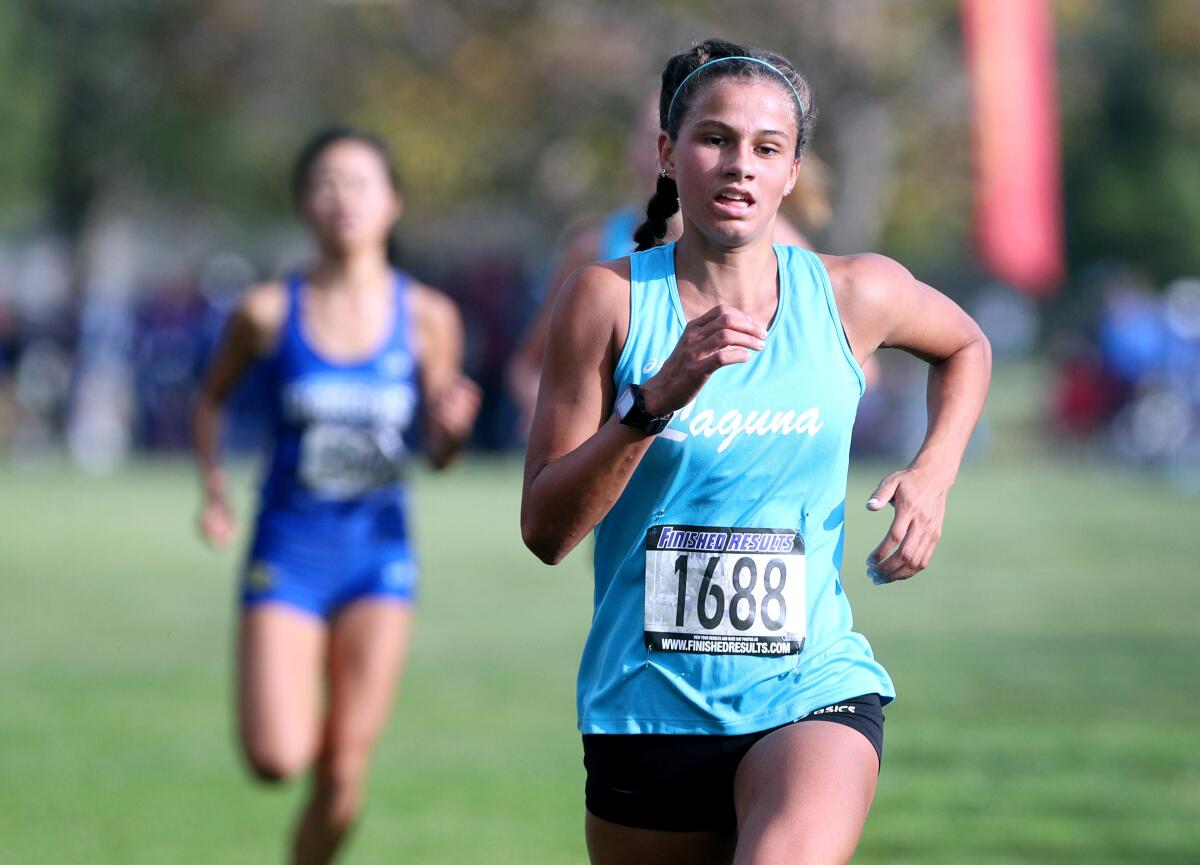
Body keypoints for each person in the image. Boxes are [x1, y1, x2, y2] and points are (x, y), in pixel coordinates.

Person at [520, 39, 991, 865]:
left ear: (792, 172)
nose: (740, 165)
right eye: (714, 140)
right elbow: (547, 532)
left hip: (810, 691)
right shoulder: (608, 302)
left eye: (767, 148)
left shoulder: (853, 293)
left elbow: (966, 346)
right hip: (645, 708)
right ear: (668, 154)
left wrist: (934, 472)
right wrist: (651, 403)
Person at [193, 126, 480, 865]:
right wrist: (215, 491)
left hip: (377, 558)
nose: (342, 197)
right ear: (303, 204)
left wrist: (450, 430)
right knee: (276, 757)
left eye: (359, 182)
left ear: (392, 203)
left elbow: (437, 457)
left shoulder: (428, 317)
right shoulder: (264, 310)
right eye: (325, 182)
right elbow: (211, 400)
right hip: (289, 552)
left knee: (344, 769)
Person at [505, 91, 822, 432]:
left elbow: (848, 360)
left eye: (714, 139)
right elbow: (528, 367)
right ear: (656, 149)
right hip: (614, 465)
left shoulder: (779, 243)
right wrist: (562, 418)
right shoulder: (594, 246)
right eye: (650, 133)